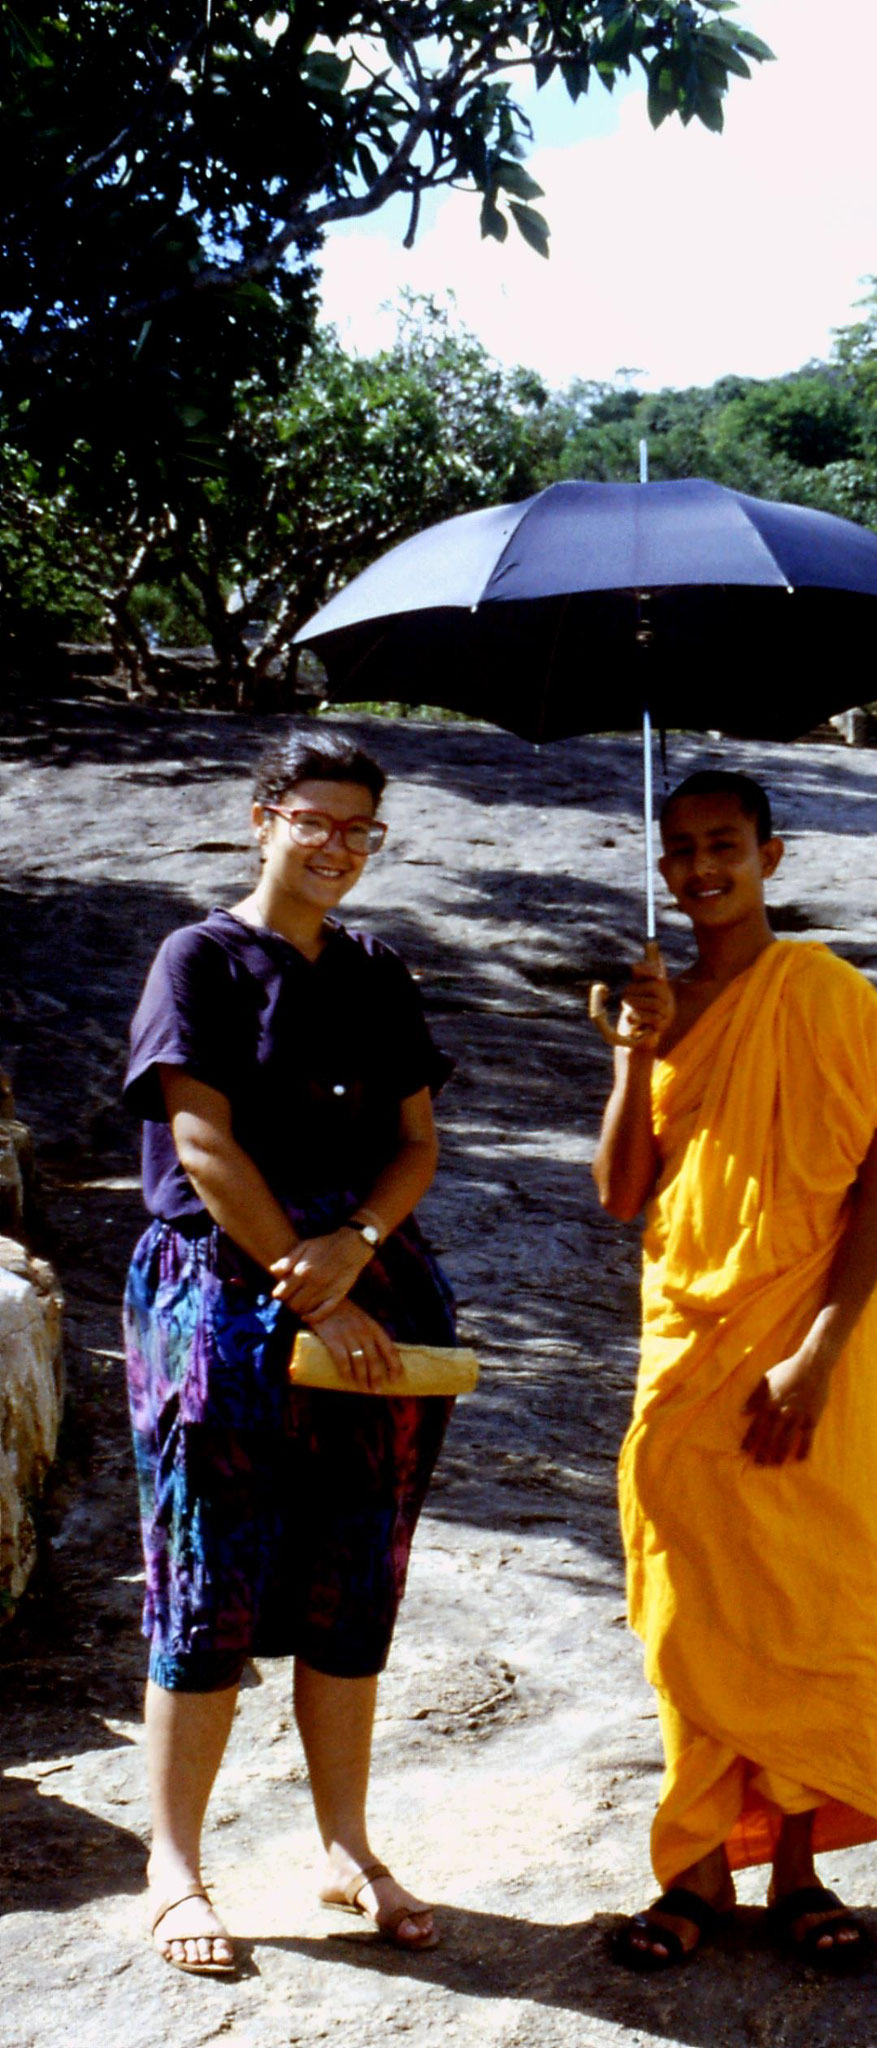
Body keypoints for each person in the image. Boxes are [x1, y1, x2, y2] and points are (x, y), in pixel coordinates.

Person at [123, 729, 457, 1973]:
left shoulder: (376, 971)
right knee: (206, 1574)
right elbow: (201, 1144)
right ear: (262, 818)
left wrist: (359, 1244)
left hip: (367, 1285)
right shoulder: (197, 958)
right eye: (315, 820)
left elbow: (415, 1143)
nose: (337, 846)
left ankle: (345, 1844)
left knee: (355, 1569)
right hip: (221, 1293)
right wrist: (309, 1289)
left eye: (360, 828)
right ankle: (174, 1863)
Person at [592, 769, 877, 1977]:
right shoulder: (662, 1003)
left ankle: (794, 1869)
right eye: (678, 849)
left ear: (772, 855)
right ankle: (689, 1871)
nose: (699, 867)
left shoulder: (829, 993)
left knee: (812, 1593)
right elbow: (624, 1193)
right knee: (691, 1601)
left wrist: (819, 1354)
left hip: (816, 1337)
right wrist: (635, 1053)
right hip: (689, 1339)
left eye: (722, 843)